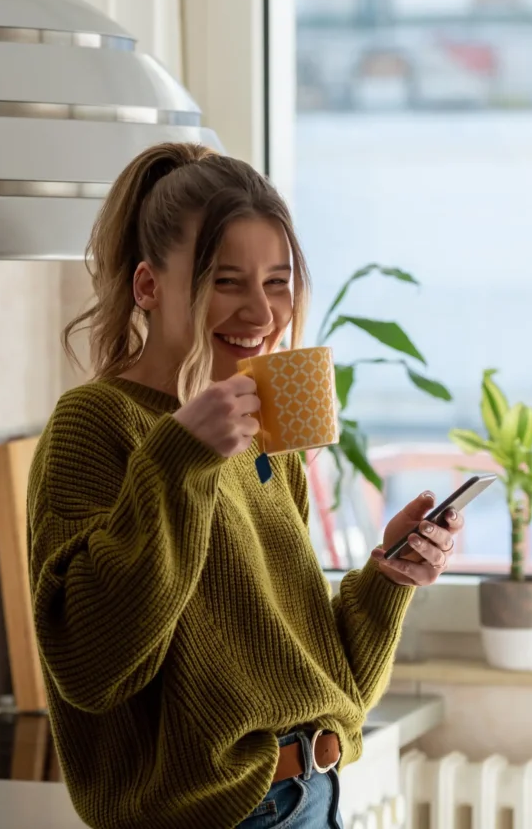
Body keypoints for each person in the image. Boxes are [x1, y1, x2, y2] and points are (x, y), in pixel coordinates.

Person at [27, 142, 459, 829]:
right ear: (148, 286)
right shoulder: (97, 423)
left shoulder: (261, 422)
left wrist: (389, 578)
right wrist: (176, 462)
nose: (261, 313)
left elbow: (312, 675)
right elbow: (91, 665)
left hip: (313, 796)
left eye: (278, 281)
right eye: (226, 281)